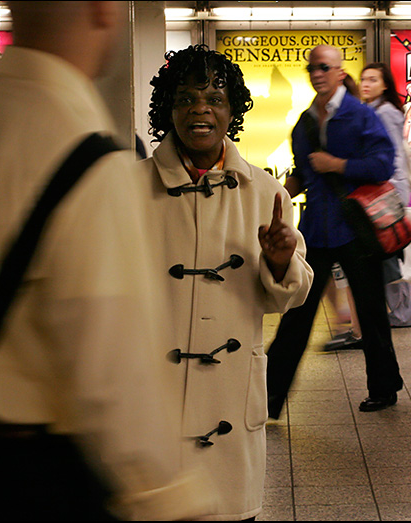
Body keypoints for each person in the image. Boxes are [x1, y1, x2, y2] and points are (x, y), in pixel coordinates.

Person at [0, 2, 217, 520]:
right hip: (29, 476)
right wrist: (168, 497)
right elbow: (113, 364)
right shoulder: (84, 151)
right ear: (104, 9)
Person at [140, 44, 313, 520]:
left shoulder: (265, 192)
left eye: (214, 98)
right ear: (167, 110)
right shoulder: (128, 190)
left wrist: (279, 263)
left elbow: (294, 294)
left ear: (232, 111)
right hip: (152, 402)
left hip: (231, 407)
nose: (200, 108)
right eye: (186, 98)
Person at [267, 45, 404, 417]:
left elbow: (383, 165)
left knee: (371, 311)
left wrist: (338, 164)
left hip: (356, 229)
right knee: (298, 312)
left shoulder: (360, 116)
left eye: (324, 67)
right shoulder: (305, 122)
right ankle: (268, 397)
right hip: (317, 229)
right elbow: (303, 172)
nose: (317, 74)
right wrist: (278, 192)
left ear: (340, 72)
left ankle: (384, 386)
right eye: (311, 68)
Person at [360, 62, 411, 329]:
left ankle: (403, 312)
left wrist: (390, 194)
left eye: (373, 79)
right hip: (382, 191)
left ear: (385, 85)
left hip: (388, 191)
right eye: (364, 79)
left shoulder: (385, 112)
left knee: (389, 254)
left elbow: (393, 155)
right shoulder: (373, 110)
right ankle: (396, 310)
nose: (366, 84)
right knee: (385, 253)